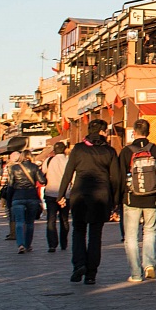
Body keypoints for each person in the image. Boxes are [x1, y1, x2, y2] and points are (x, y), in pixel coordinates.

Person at [59, 119, 122, 285]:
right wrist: (115, 200)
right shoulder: (109, 151)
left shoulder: (78, 149)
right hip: (101, 197)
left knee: (78, 231)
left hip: (80, 195)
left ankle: (79, 264)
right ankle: (91, 273)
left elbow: (68, 173)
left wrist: (60, 195)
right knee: (95, 235)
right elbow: (115, 178)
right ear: (102, 132)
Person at [118, 119, 156, 281]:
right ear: (148, 132)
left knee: (131, 237)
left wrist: (118, 199)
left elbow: (120, 178)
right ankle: (149, 265)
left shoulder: (126, 152)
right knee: (150, 232)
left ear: (134, 132)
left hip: (131, 199)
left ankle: (135, 273)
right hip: (152, 198)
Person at [3, 152, 44, 254]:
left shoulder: (14, 168)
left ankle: (20, 244)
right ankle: (28, 245)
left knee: (19, 222)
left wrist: (9, 200)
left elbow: (11, 185)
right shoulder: (34, 167)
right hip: (31, 197)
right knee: (30, 222)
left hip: (18, 197)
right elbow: (42, 180)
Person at [43, 142, 70, 252]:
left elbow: (43, 173)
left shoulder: (49, 161)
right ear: (65, 150)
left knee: (51, 219)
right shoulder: (68, 161)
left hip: (51, 193)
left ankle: (52, 244)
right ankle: (64, 243)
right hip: (66, 194)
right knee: (64, 219)